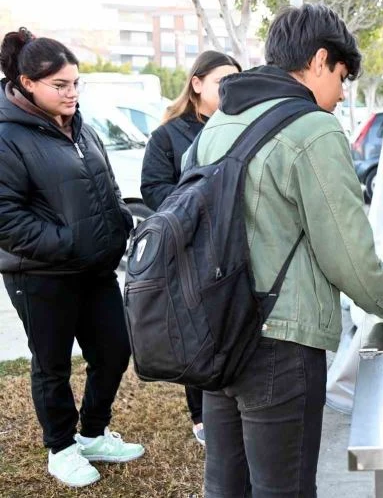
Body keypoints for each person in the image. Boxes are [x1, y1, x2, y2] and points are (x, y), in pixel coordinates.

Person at [189, 4, 383, 497]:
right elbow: (346, 250)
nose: (342, 94)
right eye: (342, 77)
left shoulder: (220, 123)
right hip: (280, 341)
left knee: (225, 484)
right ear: (320, 60)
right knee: (285, 488)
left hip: (216, 329)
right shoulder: (312, 129)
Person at [0, 28, 144, 488]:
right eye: (60, 85)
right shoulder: (7, 137)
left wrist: (119, 220)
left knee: (115, 350)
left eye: (76, 83)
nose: (72, 93)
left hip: (94, 269)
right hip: (40, 274)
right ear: (26, 83)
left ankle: (93, 432)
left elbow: (106, 187)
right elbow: (5, 218)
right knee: (52, 364)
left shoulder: (81, 126)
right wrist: (68, 243)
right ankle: (61, 448)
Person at [140, 50, 241, 446]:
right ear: (197, 83)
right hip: (189, 245)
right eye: (221, 81)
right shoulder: (167, 135)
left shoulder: (238, 125)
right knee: (195, 327)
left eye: (235, 81)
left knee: (229, 322)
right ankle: (200, 416)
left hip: (230, 244)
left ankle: (228, 400)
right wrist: (195, 202)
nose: (229, 89)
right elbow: (152, 188)